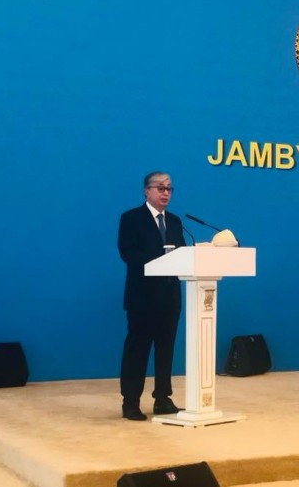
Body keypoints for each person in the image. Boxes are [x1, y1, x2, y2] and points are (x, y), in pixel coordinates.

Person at [118, 171, 186, 420]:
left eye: (169, 188)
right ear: (146, 191)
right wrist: (160, 261)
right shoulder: (131, 218)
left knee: (165, 349)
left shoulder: (175, 221)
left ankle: (163, 399)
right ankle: (131, 402)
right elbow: (128, 253)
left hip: (170, 297)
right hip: (142, 297)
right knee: (137, 350)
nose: (166, 193)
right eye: (160, 188)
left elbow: (182, 254)